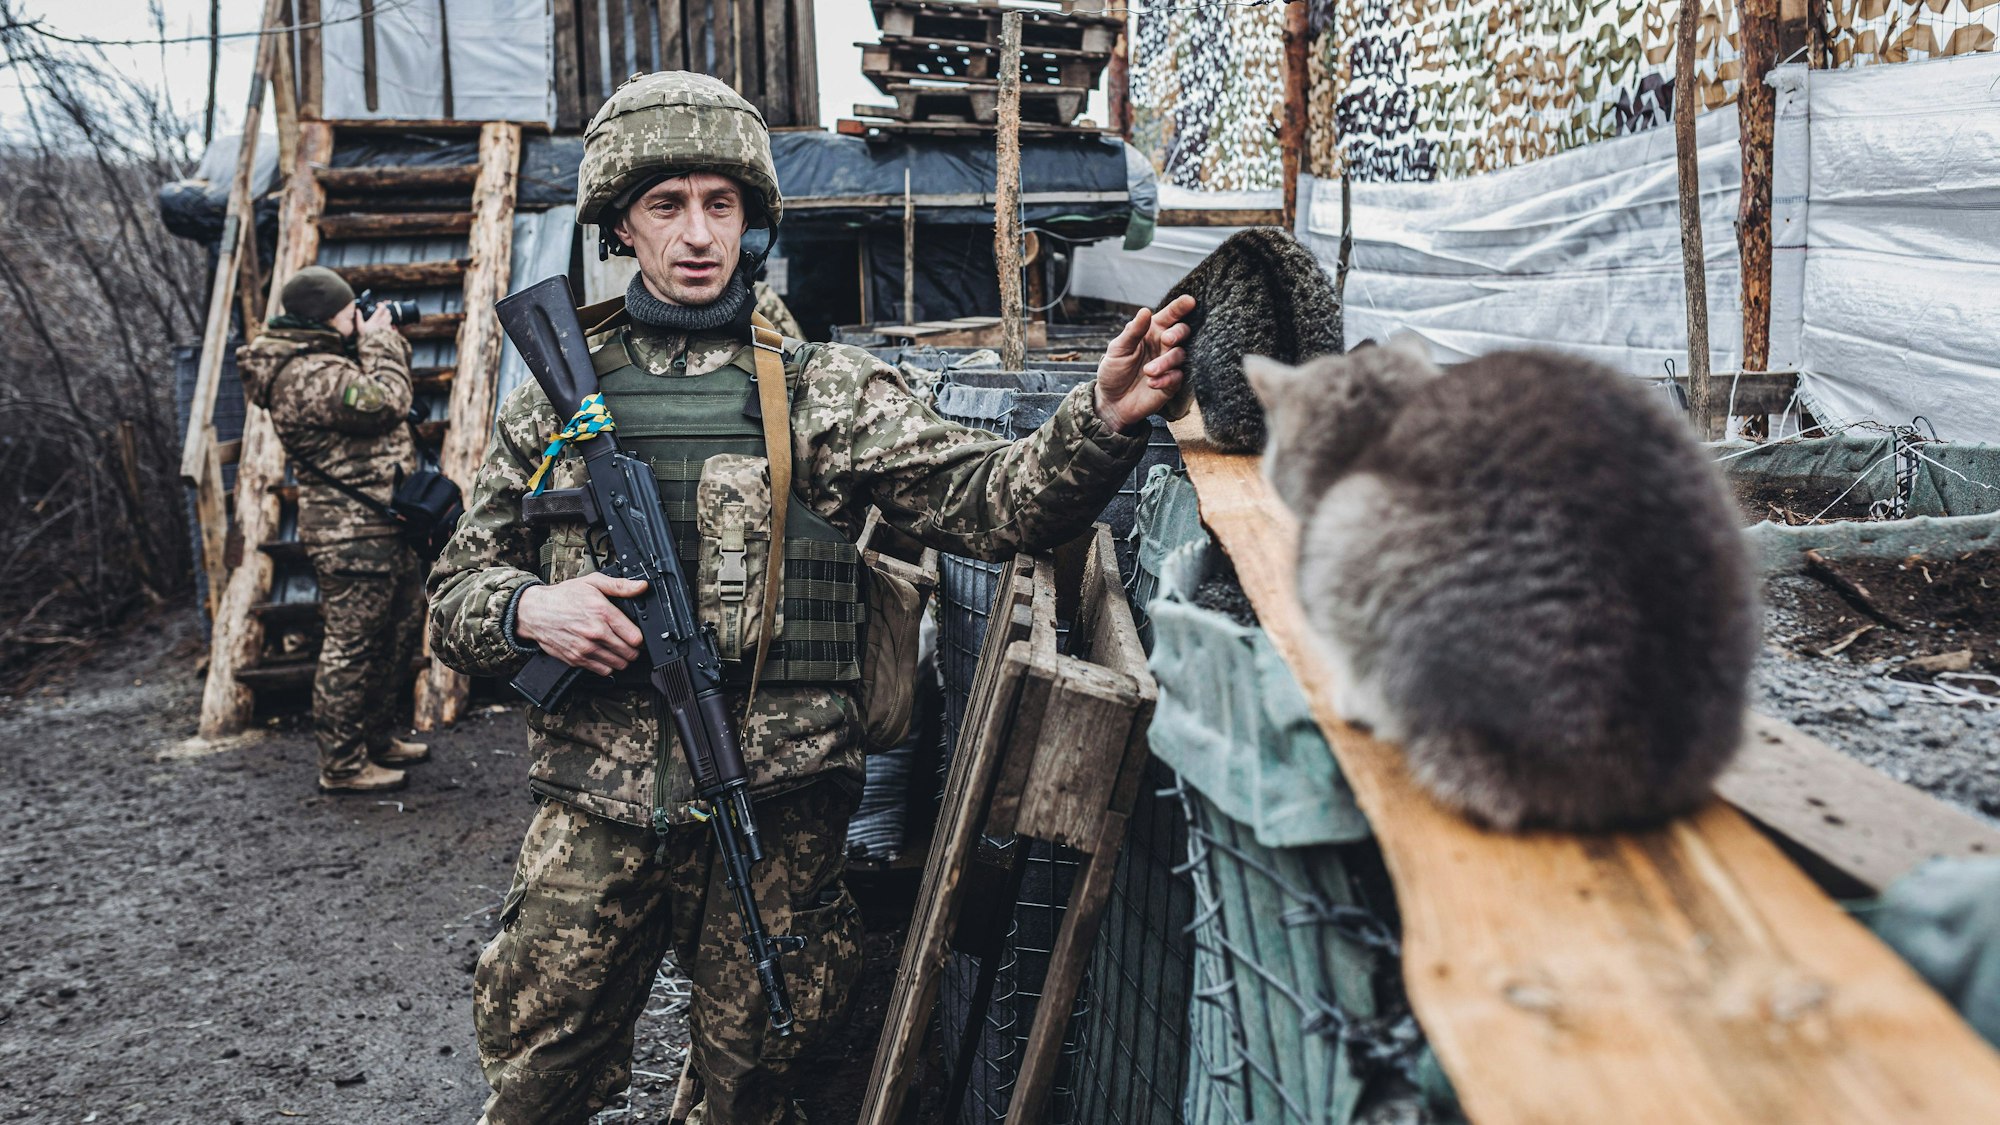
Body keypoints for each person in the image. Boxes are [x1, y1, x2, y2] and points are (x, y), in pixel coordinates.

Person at [426, 71, 1194, 1125]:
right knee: (536, 1076)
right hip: (595, 817)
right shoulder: (552, 403)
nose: (697, 234)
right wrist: (527, 612)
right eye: (666, 205)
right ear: (619, 222)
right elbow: (454, 592)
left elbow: (989, 503)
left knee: (760, 1078)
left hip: (777, 810)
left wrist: (1098, 419)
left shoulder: (822, 390)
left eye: (720, 204)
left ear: (750, 218)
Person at [239, 266, 430, 794]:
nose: (359, 321)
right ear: (326, 318)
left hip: (382, 521)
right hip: (350, 534)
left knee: (394, 634)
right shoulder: (305, 373)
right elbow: (384, 402)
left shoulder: (325, 359)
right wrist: (383, 341)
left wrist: (374, 343)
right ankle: (342, 765)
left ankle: (376, 737)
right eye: (351, 314)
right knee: (352, 647)